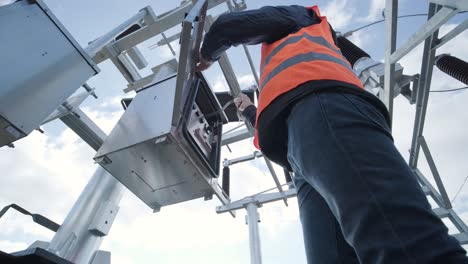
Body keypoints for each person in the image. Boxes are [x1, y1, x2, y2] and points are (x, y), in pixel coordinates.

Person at [196, 4, 468, 263]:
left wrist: (206, 54)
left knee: (407, 247)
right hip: (300, 142)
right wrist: (249, 112)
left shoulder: (305, 17)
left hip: (324, 107)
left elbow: (229, 26)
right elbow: (287, 107)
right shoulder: (306, 53)